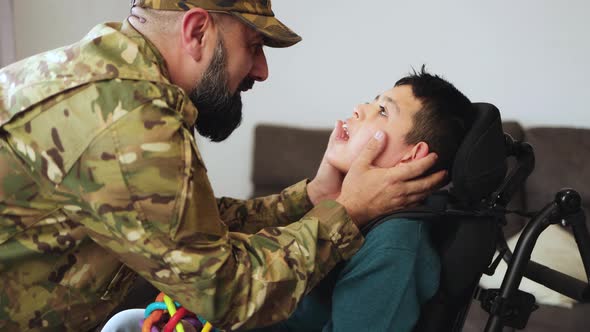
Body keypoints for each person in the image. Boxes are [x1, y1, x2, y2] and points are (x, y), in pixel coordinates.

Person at [0, 1, 445, 331]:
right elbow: (226, 292)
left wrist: (314, 197)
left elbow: (192, 226)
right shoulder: (128, 120)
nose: (262, 70)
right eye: (253, 46)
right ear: (196, 32)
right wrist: (347, 213)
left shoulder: (113, 77)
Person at [252, 68, 473, 331]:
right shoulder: (345, 214)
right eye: (373, 101)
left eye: (383, 111)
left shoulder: (393, 246)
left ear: (411, 157)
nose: (358, 108)